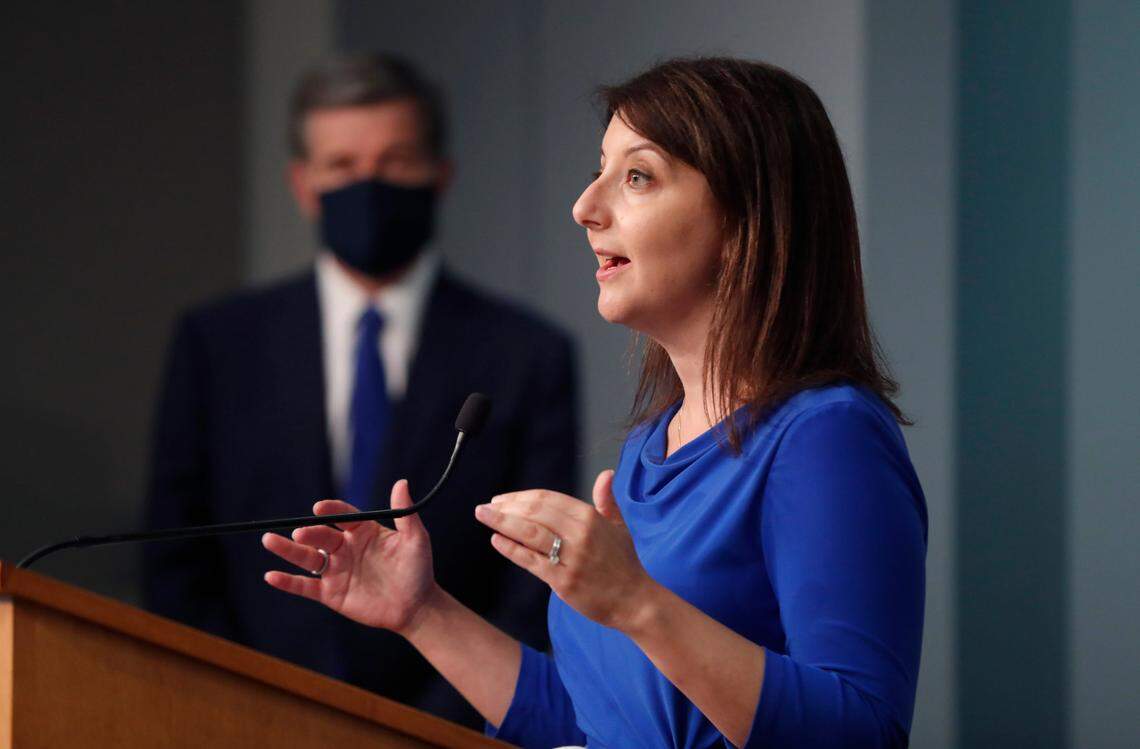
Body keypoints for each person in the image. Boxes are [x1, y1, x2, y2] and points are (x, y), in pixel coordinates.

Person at [260, 56, 927, 747]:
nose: (585, 206)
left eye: (636, 176)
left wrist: (638, 603)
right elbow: (591, 722)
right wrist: (423, 612)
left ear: (747, 218)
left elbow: (862, 731)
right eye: (598, 169)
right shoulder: (648, 447)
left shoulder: (828, 436)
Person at [142, 54, 579, 729]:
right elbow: (174, 557)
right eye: (342, 166)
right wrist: (249, 711)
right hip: (244, 725)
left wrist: (422, 732)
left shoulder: (528, 354)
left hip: (448, 730)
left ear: (441, 173)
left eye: (396, 160)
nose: (368, 185)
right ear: (303, 183)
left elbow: (533, 578)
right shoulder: (216, 343)